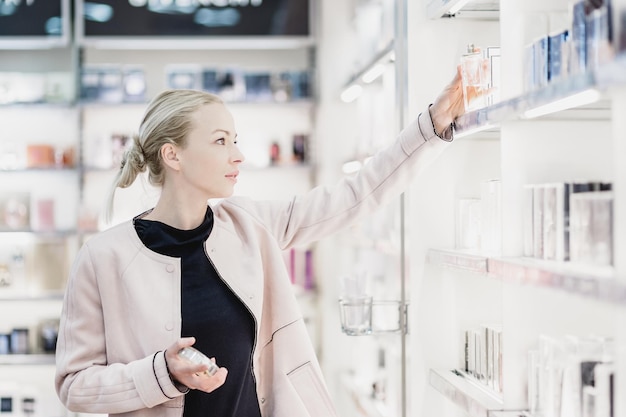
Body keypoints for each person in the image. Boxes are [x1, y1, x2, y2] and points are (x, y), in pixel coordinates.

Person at [54, 66, 466, 417]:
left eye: (235, 140)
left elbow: (354, 196)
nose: (238, 155)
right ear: (172, 156)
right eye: (220, 141)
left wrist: (430, 127)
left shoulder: (251, 225)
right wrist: (162, 373)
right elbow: (74, 385)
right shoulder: (102, 258)